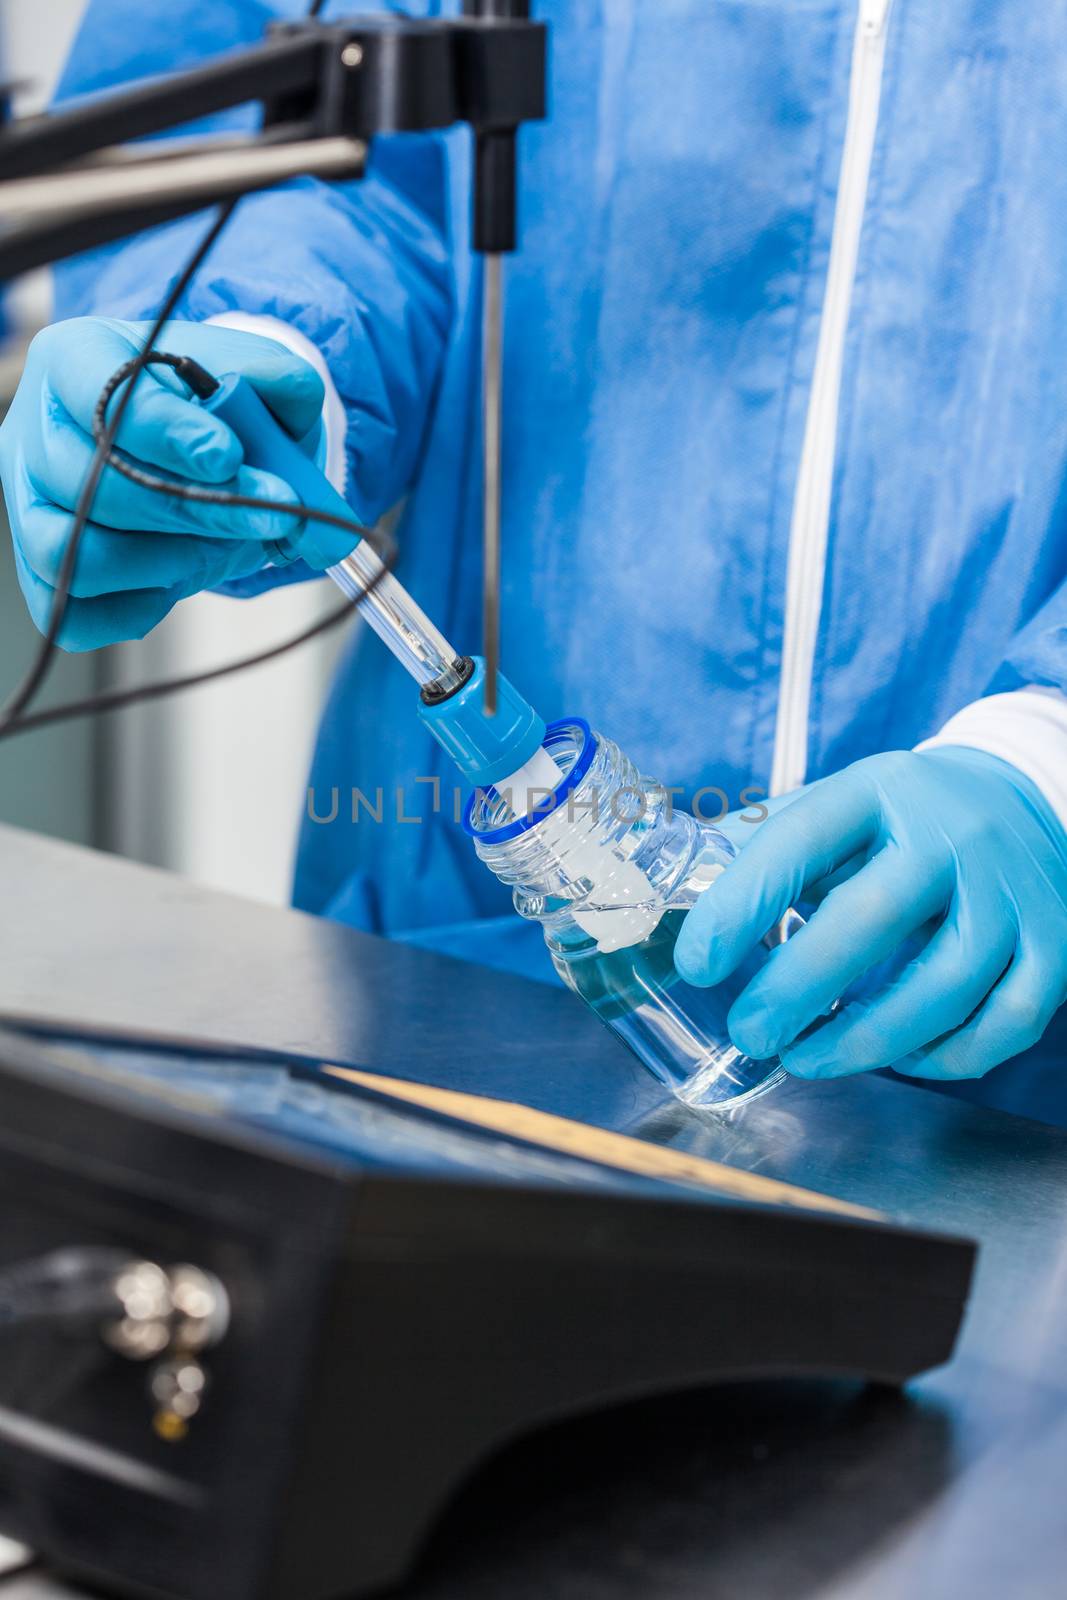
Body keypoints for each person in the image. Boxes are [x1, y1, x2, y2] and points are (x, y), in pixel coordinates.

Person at [3, 0, 1067, 1120]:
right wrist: (269, 351)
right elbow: (281, 113)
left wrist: (1041, 759)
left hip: (1018, 1084)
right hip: (451, 995)